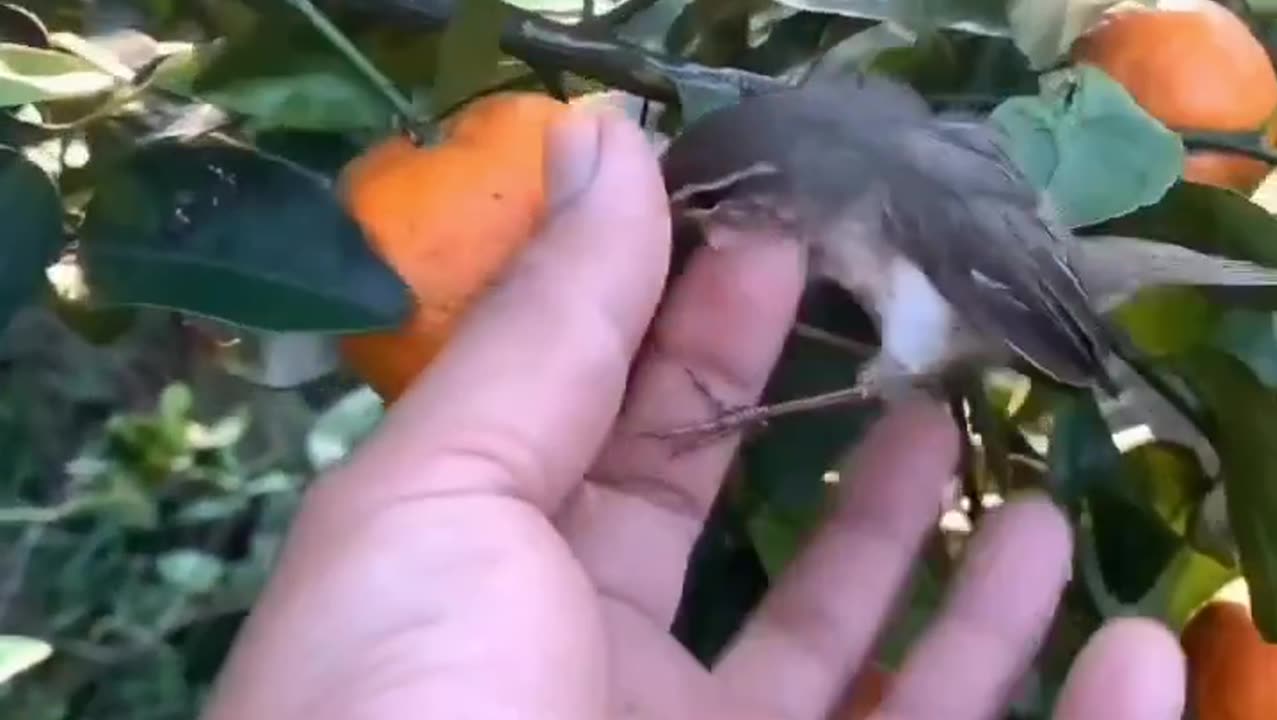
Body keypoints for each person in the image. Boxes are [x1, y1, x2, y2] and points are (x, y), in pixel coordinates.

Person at [198, 106, 1186, 719]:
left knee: (885, 378)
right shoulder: (834, 172)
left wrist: (728, 419)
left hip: (998, 295)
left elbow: (961, 321)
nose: (704, 231)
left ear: (765, 193)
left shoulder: (890, 188)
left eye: (714, 206)